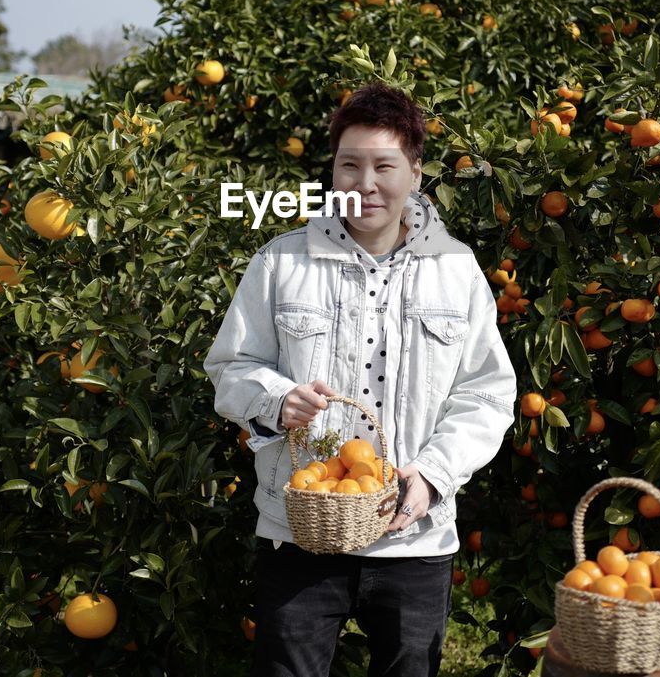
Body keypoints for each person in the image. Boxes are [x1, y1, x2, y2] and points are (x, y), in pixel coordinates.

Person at [204, 81, 517, 677]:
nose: (365, 183)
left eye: (384, 166)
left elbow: (486, 392)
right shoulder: (281, 261)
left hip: (414, 535)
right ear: (332, 170)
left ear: (416, 173)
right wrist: (275, 399)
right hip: (300, 527)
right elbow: (230, 367)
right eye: (349, 164)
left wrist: (434, 475)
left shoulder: (456, 270)